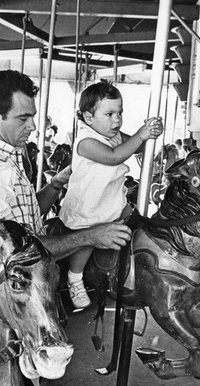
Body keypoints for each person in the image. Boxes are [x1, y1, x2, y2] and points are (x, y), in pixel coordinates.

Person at [0, 70, 132, 264]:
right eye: (22, 119)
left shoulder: (14, 157)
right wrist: (90, 236)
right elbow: (18, 250)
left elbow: (29, 215)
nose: (33, 126)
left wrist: (55, 184)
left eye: (32, 117)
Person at [59, 81, 163, 309]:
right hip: (89, 206)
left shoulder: (111, 133)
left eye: (120, 112)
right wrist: (140, 135)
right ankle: (75, 277)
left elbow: (136, 147)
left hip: (112, 202)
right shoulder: (86, 141)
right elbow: (115, 156)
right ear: (88, 118)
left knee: (137, 224)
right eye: (109, 114)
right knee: (87, 239)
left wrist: (150, 134)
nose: (117, 119)